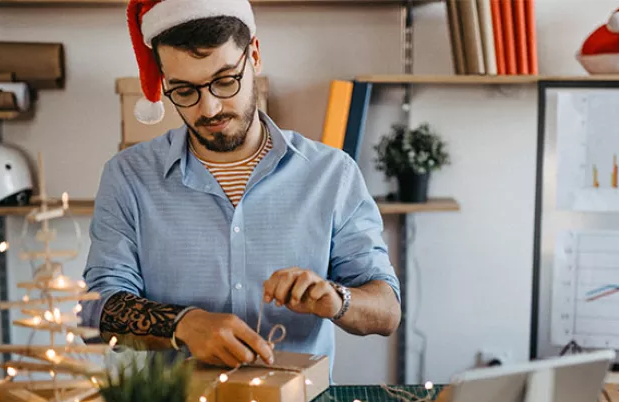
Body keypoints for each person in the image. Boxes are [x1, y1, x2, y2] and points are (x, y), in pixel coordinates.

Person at [80, 0, 401, 374]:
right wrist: (183, 323)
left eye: (225, 81)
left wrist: (337, 300)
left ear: (254, 55)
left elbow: (387, 311)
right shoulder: (128, 176)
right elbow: (96, 308)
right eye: (184, 91)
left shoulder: (332, 173)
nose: (210, 109)